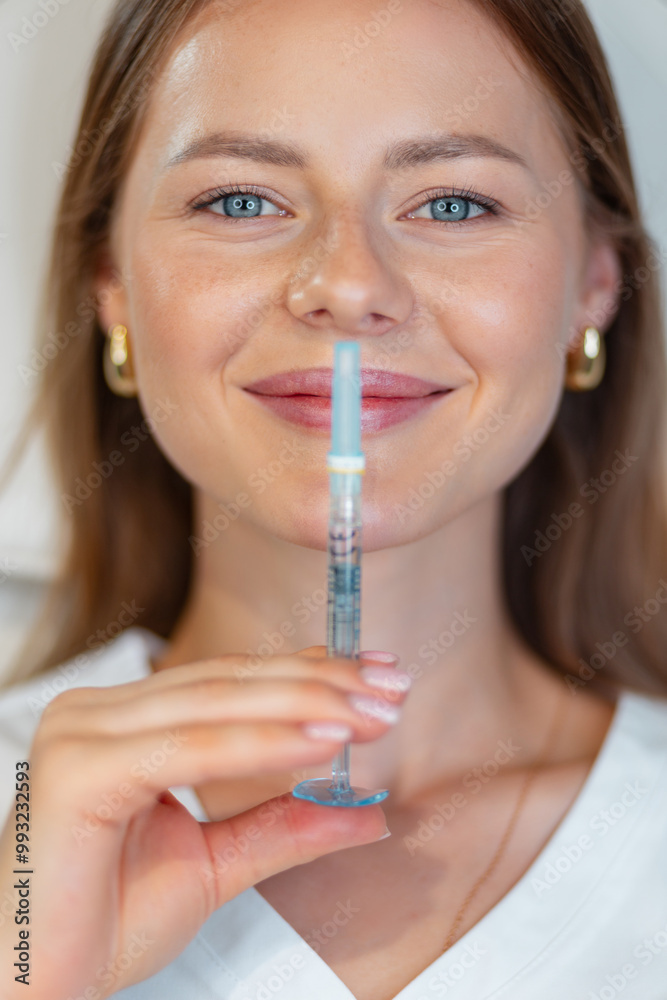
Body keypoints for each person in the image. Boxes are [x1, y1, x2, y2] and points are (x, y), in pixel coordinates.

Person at [1, 0, 666, 997]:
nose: (348, 285)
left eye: (450, 203)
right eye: (239, 200)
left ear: (594, 285)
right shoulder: (15, 840)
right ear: (113, 289)